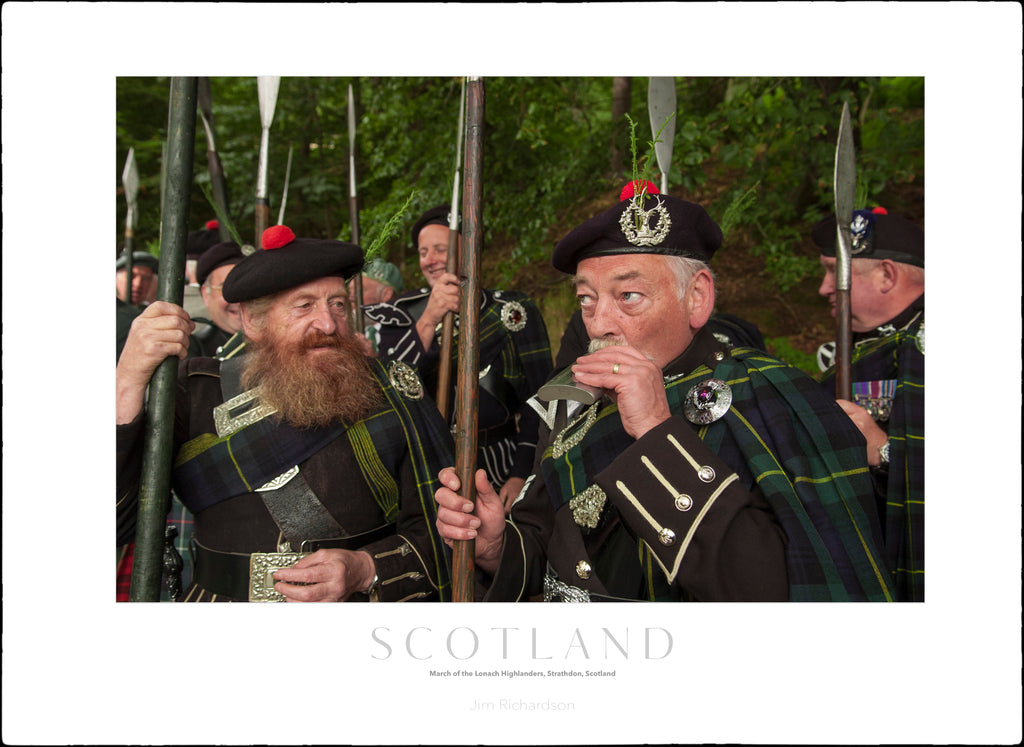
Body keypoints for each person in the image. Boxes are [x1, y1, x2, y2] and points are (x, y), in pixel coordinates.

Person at [434, 181, 895, 602]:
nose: (598, 324)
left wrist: (656, 430)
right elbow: (546, 542)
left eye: (628, 296)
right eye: (586, 299)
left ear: (697, 297)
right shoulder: (578, 404)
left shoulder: (775, 394)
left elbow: (787, 590)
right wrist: (496, 546)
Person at [116, 225, 454, 602]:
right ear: (253, 322)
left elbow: (447, 531)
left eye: (338, 304)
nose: (328, 324)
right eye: (304, 306)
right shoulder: (194, 391)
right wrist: (128, 380)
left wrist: (368, 568)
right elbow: (118, 521)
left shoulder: (394, 390)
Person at [369, 205, 554, 511]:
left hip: (502, 463)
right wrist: (429, 318)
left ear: (468, 250)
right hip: (425, 467)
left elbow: (541, 400)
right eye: (423, 252)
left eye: (440, 250)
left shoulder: (513, 310)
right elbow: (388, 391)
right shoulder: (400, 313)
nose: (429, 260)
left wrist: (522, 473)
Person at [812, 206, 925, 601]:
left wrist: (884, 449)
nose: (826, 288)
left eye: (835, 271)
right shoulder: (850, 351)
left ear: (886, 275)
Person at [192, 240, 248, 360]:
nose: (240, 301)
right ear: (206, 294)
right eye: (226, 288)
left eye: (248, 287)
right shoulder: (194, 353)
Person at [351, 257, 404, 354]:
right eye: (350, 291)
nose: (351, 297)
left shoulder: (406, 334)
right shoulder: (346, 333)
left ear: (386, 294)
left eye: (360, 290)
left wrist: (374, 362)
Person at [116, 251, 159, 360]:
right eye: (132, 276)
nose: (138, 283)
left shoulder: (153, 316)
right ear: (116, 278)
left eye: (145, 278)